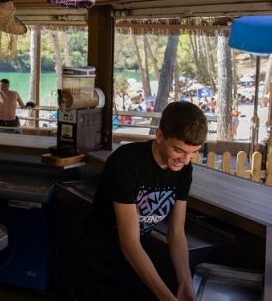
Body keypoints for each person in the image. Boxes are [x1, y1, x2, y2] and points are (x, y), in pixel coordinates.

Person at [77, 101, 209, 301]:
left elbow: (176, 233)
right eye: (179, 150)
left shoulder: (184, 171)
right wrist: (166, 297)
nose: (185, 160)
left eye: (193, 152)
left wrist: (185, 282)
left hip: (141, 261)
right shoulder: (126, 163)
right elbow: (128, 242)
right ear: (159, 135)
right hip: (101, 259)